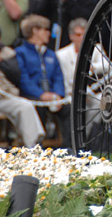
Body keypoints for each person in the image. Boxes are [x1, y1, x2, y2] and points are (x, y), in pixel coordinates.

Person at [15, 14, 69, 145]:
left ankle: (70, 147)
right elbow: (23, 79)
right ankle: (37, 147)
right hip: (32, 96)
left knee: (69, 109)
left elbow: (58, 76)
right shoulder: (20, 52)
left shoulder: (51, 54)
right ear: (35, 31)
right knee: (37, 107)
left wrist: (58, 95)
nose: (49, 33)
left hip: (52, 96)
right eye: (45, 29)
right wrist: (41, 94)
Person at [55, 17, 87, 95]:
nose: (82, 38)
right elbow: (63, 80)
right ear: (71, 36)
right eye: (78, 34)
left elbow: (108, 66)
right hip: (70, 94)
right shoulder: (61, 54)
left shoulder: (97, 49)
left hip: (92, 94)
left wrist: (94, 67)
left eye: (84, 34)